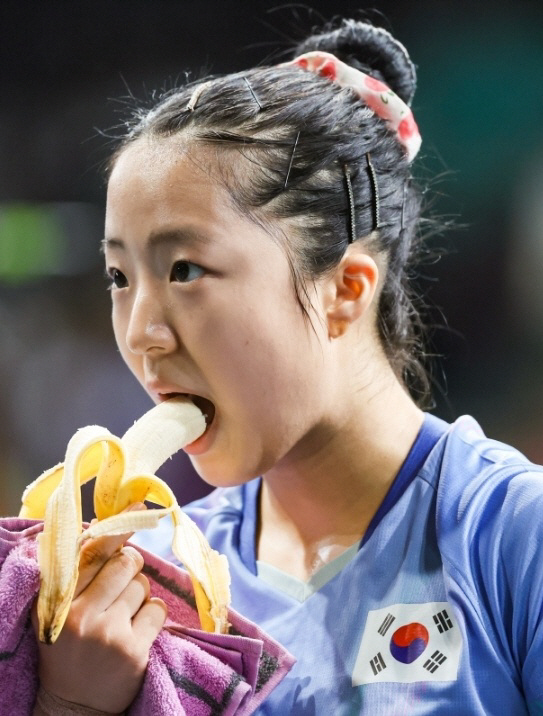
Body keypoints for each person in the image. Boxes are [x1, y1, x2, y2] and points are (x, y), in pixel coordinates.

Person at [32, 17, 543, 716]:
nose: (142, 333)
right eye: (119, 277)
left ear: (344, 289)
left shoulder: (515, 537)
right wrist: (72, 704)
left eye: (184, 269)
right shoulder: (144, 582)